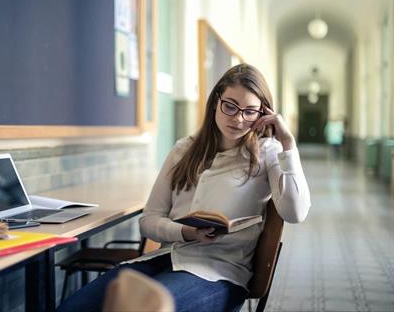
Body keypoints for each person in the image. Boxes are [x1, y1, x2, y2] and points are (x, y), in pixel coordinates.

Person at [57, 63, 311, 312]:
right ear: (216, 101)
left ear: (262, 114)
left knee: (139, 307)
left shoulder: (268, 152)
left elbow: (295, 213)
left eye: (250, 112)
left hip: (219, 272)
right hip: (165, 259)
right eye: (230, 106)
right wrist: (187, 232)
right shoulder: (184, 150)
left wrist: (288, 144)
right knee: (72, 308)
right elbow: (149, 222)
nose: (238, 118)